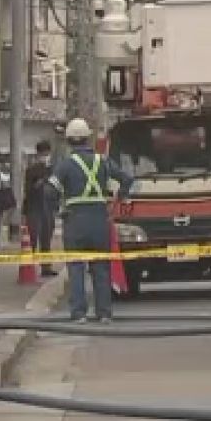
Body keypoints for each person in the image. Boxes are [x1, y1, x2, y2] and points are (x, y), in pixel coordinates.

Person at [53, 118, 135, 322]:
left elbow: (49, 190)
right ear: (88, 139)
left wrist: (58, 208)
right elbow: (127, 179)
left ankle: (78, 313)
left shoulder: (65, 165)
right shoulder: (103, 161)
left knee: (76, 268)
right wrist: (119, 198)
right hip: (99, 220)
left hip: (75, 221)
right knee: (101, 268)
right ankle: (104, 313)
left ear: (69, 141)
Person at [23, 139, 60, 278]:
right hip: (34, 208)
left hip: (48, 208)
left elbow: (57, 188)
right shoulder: (32, 170)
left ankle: (46, 267)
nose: (45, 156)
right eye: (43, 154)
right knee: (32, 238)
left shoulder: (54, 170)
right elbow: (28, 190)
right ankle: (29, 267)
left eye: (47, 153)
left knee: (46, 238)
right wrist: (38, 183)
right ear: (38, 154)